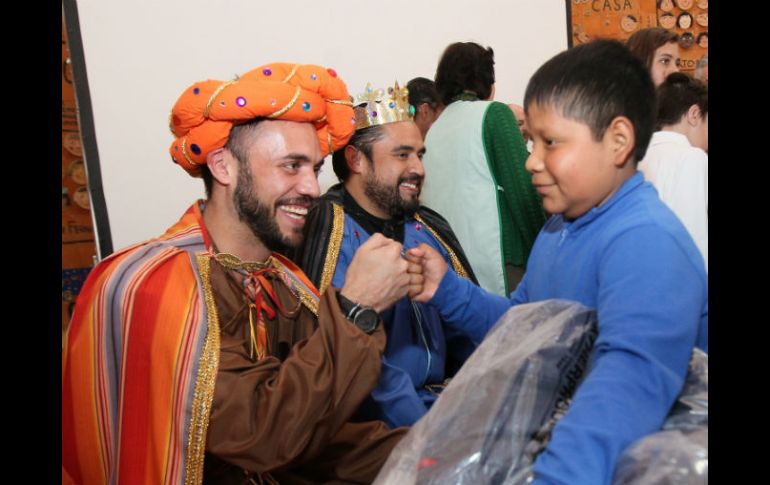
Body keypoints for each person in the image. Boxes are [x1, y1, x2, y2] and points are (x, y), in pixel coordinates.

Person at [62, 63, 416, 485]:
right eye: (291, 166)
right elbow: (263, 433)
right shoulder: (158, 285)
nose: (311, 188)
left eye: (315, 169)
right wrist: (356, 307)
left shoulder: (284, 283)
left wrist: (430, 453)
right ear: (224, 167)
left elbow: (316, 437)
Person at [407, 40, 708, 485]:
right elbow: (523, 327)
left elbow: (621, 396)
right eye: (532, 141)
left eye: (550, 143)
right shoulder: (559, 229)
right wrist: (448, 288)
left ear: (618, 141)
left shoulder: (646, 244)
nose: (531, 161)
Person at [291, 82, 481, 429]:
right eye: (402, 154)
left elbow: (469, 330)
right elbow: (349, 361)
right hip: (379, 430)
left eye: (419, 155)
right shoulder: (326, 231)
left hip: (445, 409)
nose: (419, 169)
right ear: (356, 160)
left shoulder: (429, 226)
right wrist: (424, 434)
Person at [421, 41, 546, 297]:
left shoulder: (435, 129)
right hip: (501, 260)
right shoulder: (494, 114)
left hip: (451, 265)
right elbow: (524, 190)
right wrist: (548, 249)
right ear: (489, 84)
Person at [639, 72, 708, 270]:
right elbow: (692, 239)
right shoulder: (691, 157)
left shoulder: (638, 155)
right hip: (676, 279)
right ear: (694, 114)